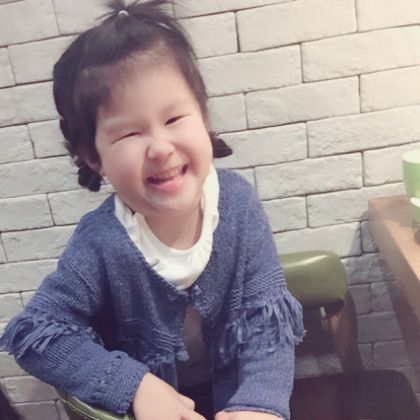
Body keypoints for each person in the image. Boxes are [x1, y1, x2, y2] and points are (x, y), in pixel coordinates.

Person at [0, 1, 304, 419]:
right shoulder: (101, 242)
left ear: (203, 117)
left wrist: (260, 404)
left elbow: (266, 318)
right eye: (129, 133)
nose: (160, 147)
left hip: (237, 399)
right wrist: (132, 384)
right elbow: (34, 334)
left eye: (175, 118)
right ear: (94, 157)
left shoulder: (237, 203)